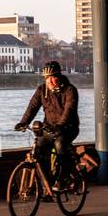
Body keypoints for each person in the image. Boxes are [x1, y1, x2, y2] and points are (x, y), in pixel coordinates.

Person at [15, 61, 79, 190]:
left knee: (60, 145)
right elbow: (32, 106)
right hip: (49, 127)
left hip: (68, 128)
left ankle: (64, 178)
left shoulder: (69, 90)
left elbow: (69, 110)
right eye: (46, 78)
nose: (49, 81)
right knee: (38, 152)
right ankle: (47, 184)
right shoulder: (42, 90)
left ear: (59, 76)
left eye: (52, 77)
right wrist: (24, 122)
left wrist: (61, 125)